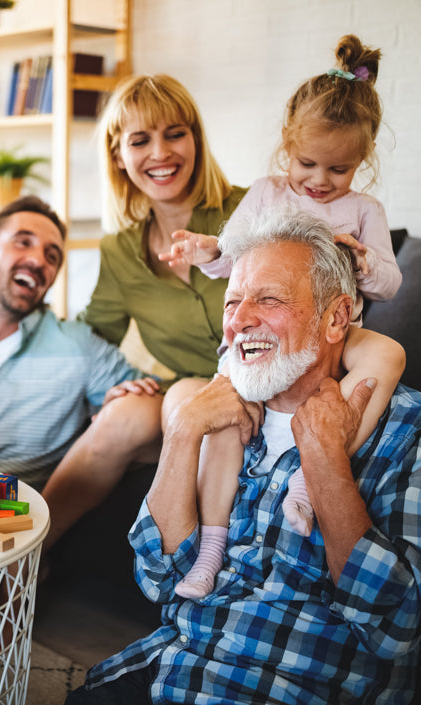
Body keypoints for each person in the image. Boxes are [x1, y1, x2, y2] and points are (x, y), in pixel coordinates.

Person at [66, 205, 421, 705]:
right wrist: (185, 428)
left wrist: (324, 463)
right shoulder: (224, 413)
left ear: (337, 318)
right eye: (233, 302)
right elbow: (159, 578)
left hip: (292, 687)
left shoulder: (405, 429)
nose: (241, 320)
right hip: (175, 666)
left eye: (269, 299)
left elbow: (397, 626)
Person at [160, 34, 405, 598]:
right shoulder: (269, 193)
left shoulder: (364, 210)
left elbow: (390, 284)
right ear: (285, 150)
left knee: (387, 353)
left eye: (338, 169)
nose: (319, 181)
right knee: (225, 425)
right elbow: (230, 253)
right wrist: (205, 251)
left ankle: (309, 474)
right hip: (263, 344)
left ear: (361, 163)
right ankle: (211, 550)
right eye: (307, 163)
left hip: (336, 336)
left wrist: (363, 260)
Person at [41, 73, 247, 552]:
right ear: (119, 155)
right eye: (141, 140)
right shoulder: (120, 251)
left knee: (185, 408)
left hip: (262, 390)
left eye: (175, 133)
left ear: (195, 138)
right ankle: (25, 560)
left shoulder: (252, 209)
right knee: (122, 414)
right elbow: (88, 336)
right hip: (187, 399)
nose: (161, 153)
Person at [0, 195, 157, 493]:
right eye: (23, 242)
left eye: (52, 256)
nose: (38, 261)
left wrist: (127, 400)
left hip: (27, 524)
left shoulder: (80, 345)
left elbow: (154, 420)